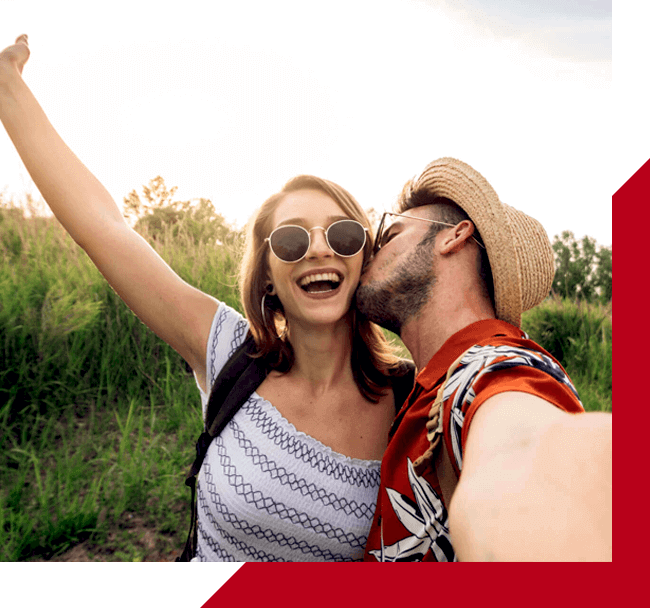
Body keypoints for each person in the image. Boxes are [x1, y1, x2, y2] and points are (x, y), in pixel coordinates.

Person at [0, 35, 407, 562]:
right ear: (266, 276)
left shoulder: (409, 401)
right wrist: (9, 89)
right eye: (291, 239)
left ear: (363, 257)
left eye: (343, 234)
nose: (319, 250)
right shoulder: (228, 351)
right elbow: (105, 230)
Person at [356, 157, 612, 561]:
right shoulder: (424, 388)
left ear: (452, 237)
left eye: (390, 231)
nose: (370, 250)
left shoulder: (492, 368)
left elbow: (527, 451)